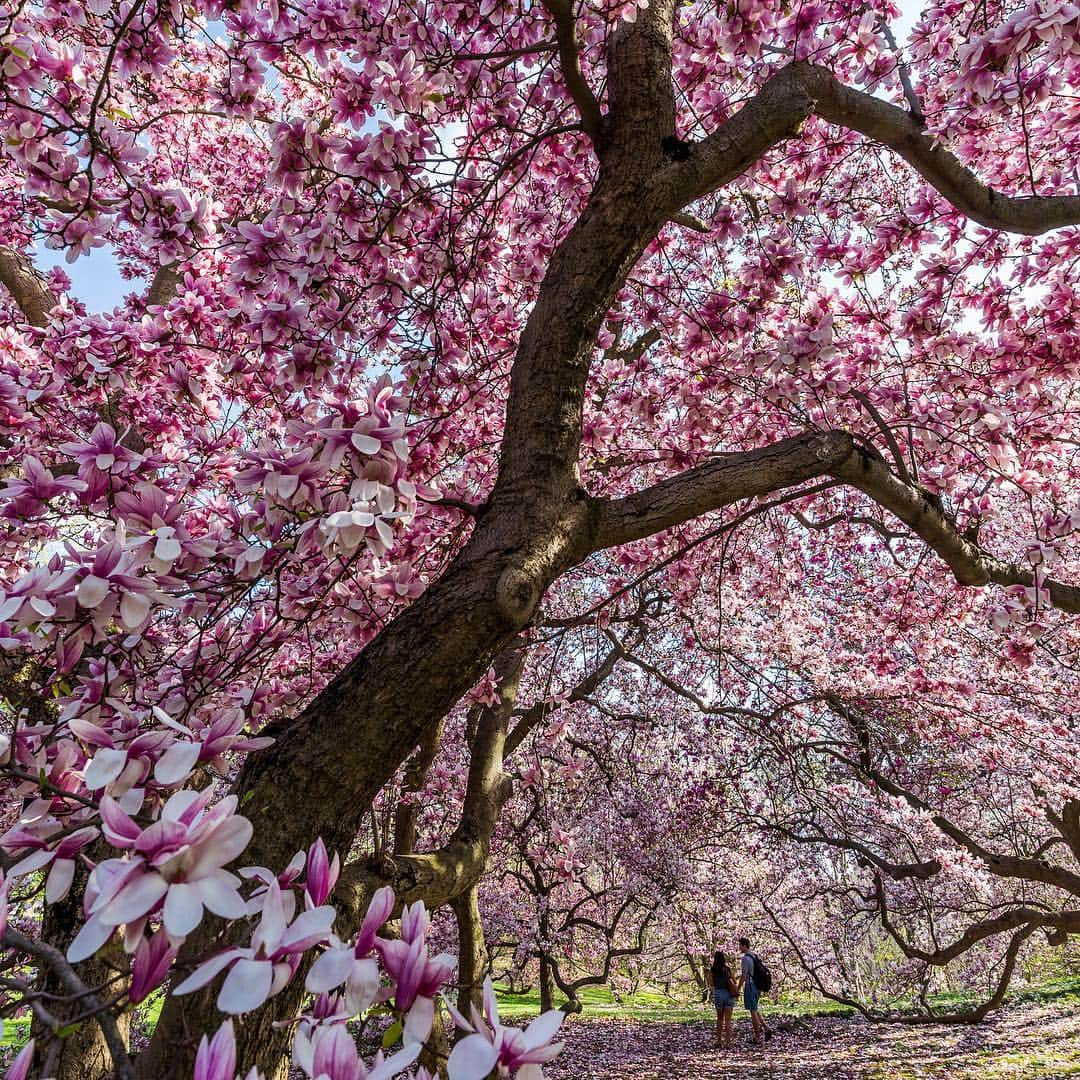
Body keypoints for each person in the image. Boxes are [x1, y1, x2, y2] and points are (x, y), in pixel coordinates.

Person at [739, 937, 773, 1044]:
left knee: (752, 1011)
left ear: (745, 945)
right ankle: (766, 1028)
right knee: (755, 1008)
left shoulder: (745, 958)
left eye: (740, 945)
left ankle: (757, 1036)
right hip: (757, 986)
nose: (739, 947)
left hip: (750, 985)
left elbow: (744, 975)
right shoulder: (754, 956)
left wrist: (738, 988)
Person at [706, 949, 738, 1049]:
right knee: (728, 1020)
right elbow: (734, 981)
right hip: (729, 994)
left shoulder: (713, 970)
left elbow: (711, 984)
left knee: (720, 1019)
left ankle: (719, 1041)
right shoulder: (728, 969)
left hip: (719, 993)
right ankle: (728, 1042)